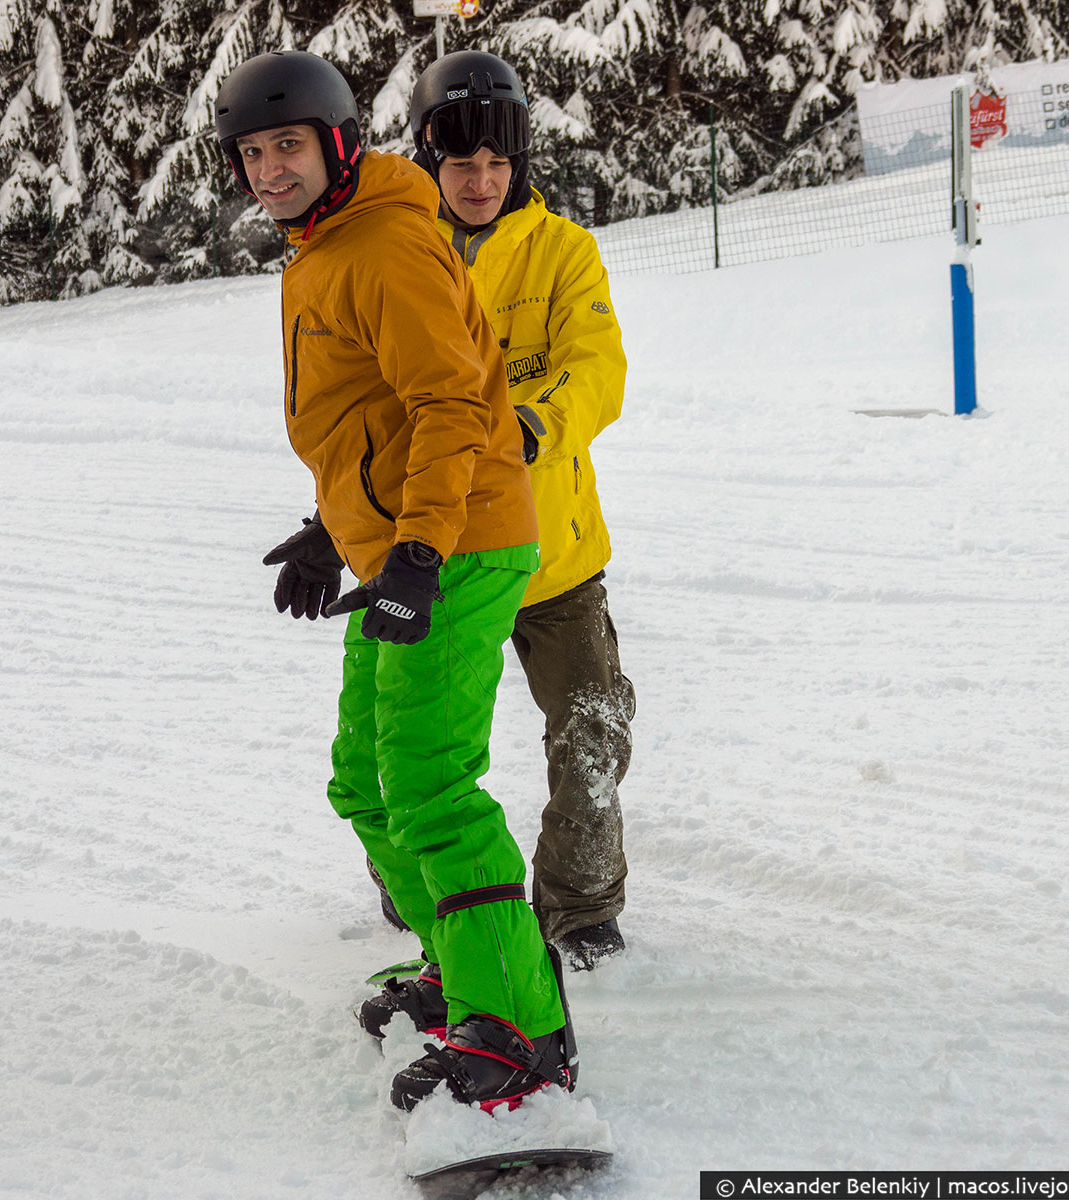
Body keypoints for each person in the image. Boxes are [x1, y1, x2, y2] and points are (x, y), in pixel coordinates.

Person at [213, 50, 580, 1113]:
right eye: (252, 152)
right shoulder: (322, 246)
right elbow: (370, 418)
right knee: (365, 776)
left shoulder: (382, 246)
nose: (270, 169)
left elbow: (457, 408)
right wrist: (335, 530)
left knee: (427, 781)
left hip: (458, 540)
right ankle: (457, 969)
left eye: (288, 146)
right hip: (406, 542)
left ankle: (519, 1031)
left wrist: (416, 550)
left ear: (335, 145)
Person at [402, 51, 636, 970]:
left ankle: (580, 906)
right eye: (462, 166)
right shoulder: (400, 254)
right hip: (441, 549)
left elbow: (598, 368)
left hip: (552, 552)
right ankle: (424, 886)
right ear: (430, 161)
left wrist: (539, 420)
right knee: (420, 743)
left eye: (499, 164)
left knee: (592, 727)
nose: (482, 182)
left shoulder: (562, 250)